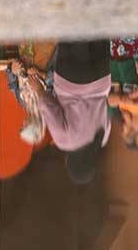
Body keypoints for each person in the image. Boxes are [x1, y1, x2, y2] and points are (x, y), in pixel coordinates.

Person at [30, 40, 112, 185]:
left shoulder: (103, 138)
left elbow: (107, 108)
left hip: (101, 78)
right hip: (72, 80)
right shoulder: (65, 142)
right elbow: (50, 108)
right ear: (71, 164)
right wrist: (38, 90)